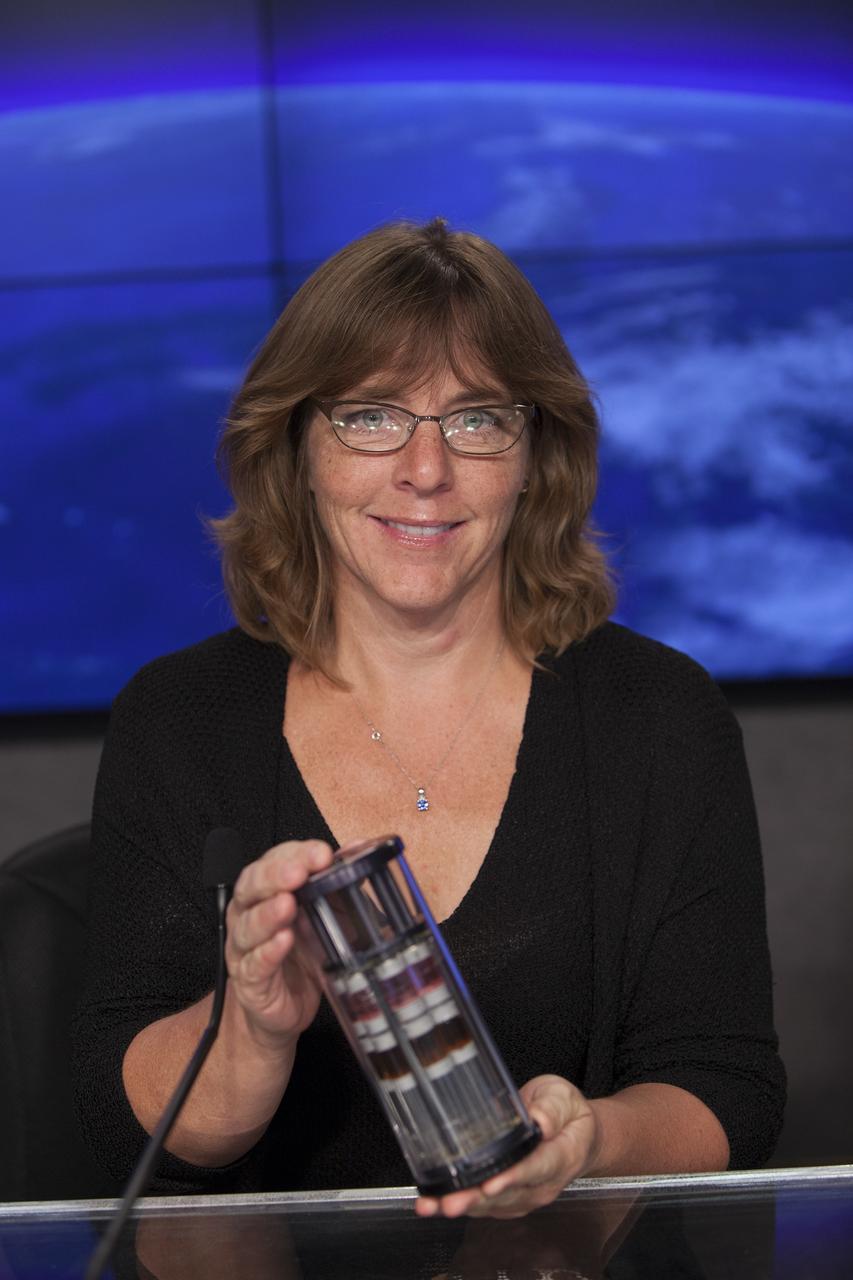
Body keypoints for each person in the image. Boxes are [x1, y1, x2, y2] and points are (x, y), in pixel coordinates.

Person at [72, 218, 785, 1220]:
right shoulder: (179, 716)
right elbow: (121, 1125)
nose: (423, 468)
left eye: (476, 418)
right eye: (371, 416)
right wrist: (251, 1028)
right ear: (298, 445)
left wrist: (592, 1137)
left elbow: (727, 1090)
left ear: (534, 450)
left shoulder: (660, 716)